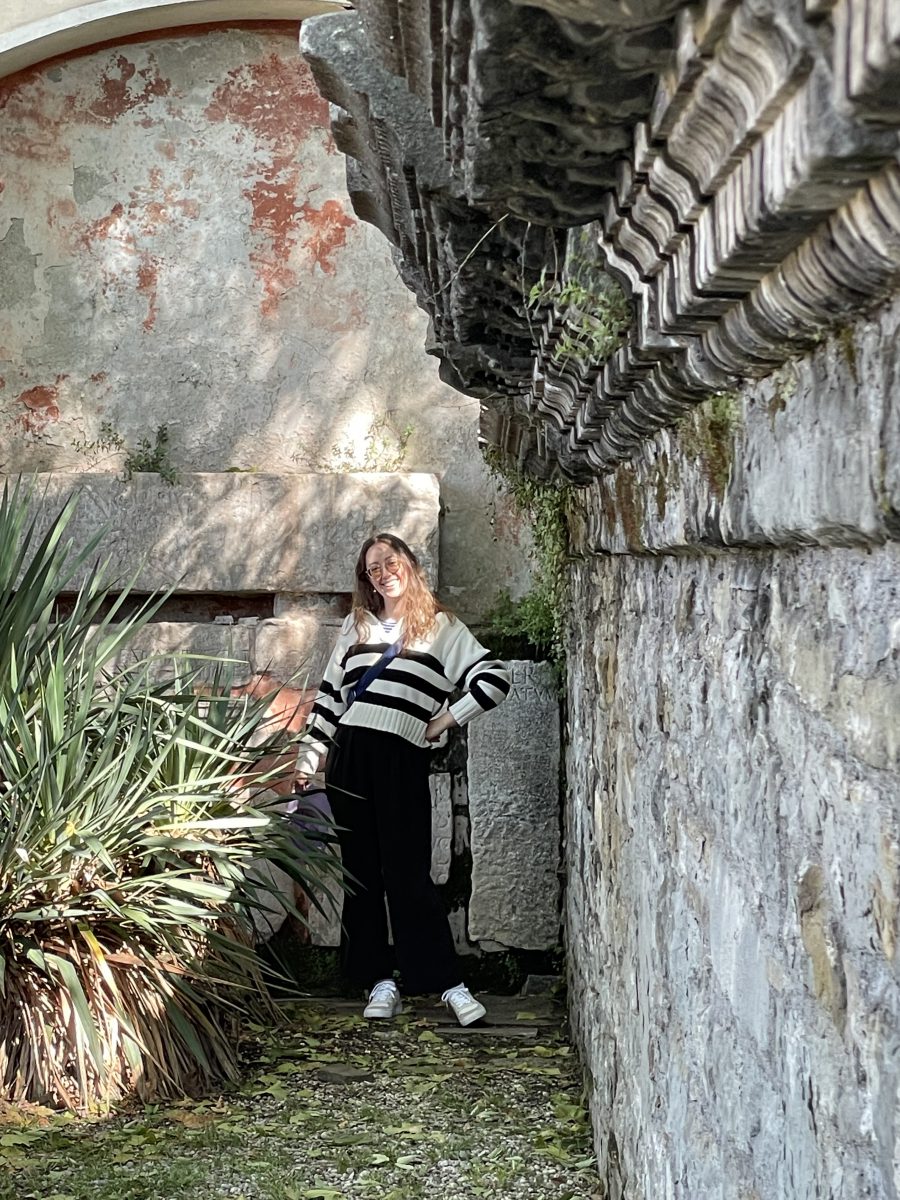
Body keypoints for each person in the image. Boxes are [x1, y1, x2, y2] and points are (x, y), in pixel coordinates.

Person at [295, 532, 510, 1026]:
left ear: (409, 564)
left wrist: (443, 721)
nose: (383, 574)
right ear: (367, 579)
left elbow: (494, 679)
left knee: (409, 873)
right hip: (349, 756)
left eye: (390, 562)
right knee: (361, 875)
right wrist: (308, 760)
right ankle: (378, 980)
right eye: (372, 569)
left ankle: (448, 984)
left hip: (402, 757)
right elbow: (329, 700)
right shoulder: (356, 626)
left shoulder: (442, 628)